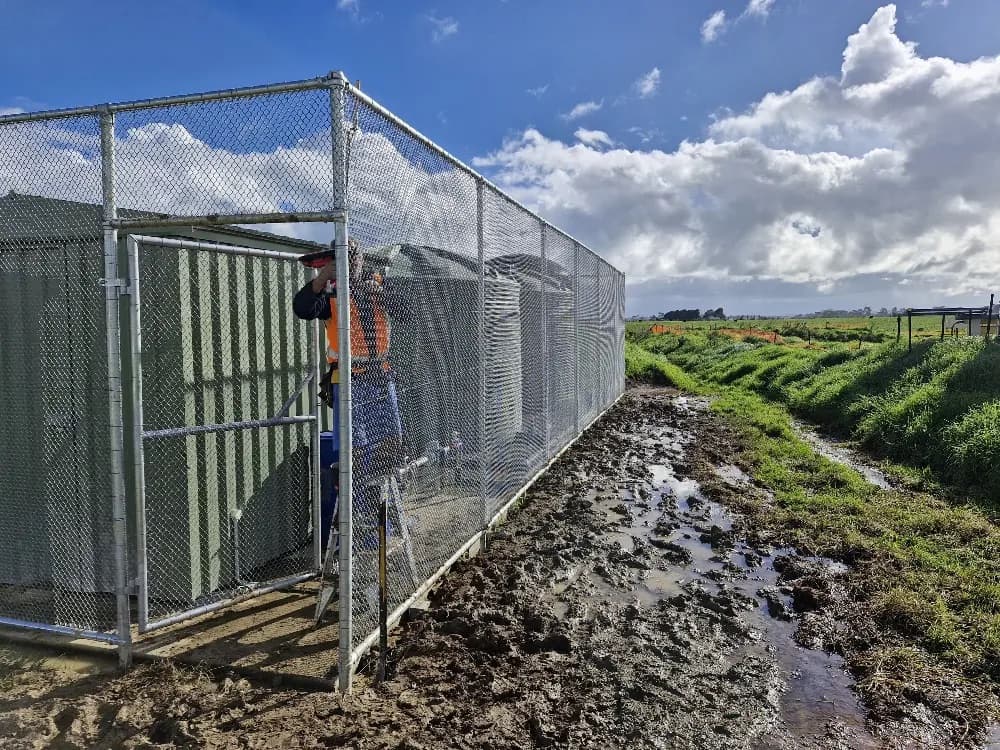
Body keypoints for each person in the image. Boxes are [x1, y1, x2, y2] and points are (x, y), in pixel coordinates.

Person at [293, 238, 405, 551]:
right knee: (354, 453)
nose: (350, 263)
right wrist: (322, 277)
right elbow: (302, 308)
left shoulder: (378, 283)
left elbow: (408, 310)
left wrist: (381, 294)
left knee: (389, 446)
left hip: (382, 378)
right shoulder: (329, 289)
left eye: (353, 257)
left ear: (361, 259)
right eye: (342, 258)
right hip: (348, 380)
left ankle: (382, 518)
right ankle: (353, 524)